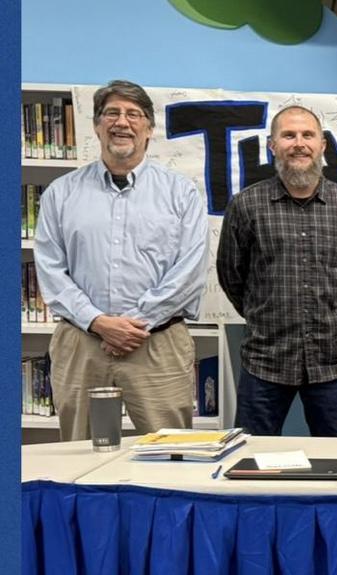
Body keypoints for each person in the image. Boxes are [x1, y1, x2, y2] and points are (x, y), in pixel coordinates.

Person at [34, 80, 208, 440]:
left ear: (149, 129)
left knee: (171, 454)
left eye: (134, 114)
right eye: (111, 113)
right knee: (79, 456)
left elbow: (189, 271)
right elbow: (51, 269)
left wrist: (133, 326)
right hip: (82, 343)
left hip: (157, 344)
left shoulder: (181, 194)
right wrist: (98, 322)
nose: (122, 122)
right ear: (97, 125)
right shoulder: (60, 194)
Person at [217, 104, 337, 436]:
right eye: (288, 135)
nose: (298, 143)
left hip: (334, 362)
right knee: (248, 462)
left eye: (307, 135)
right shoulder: (245, 205)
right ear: (272, 145)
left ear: (322, 145)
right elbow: (232, 275)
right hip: (266, 360)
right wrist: (263, 313)